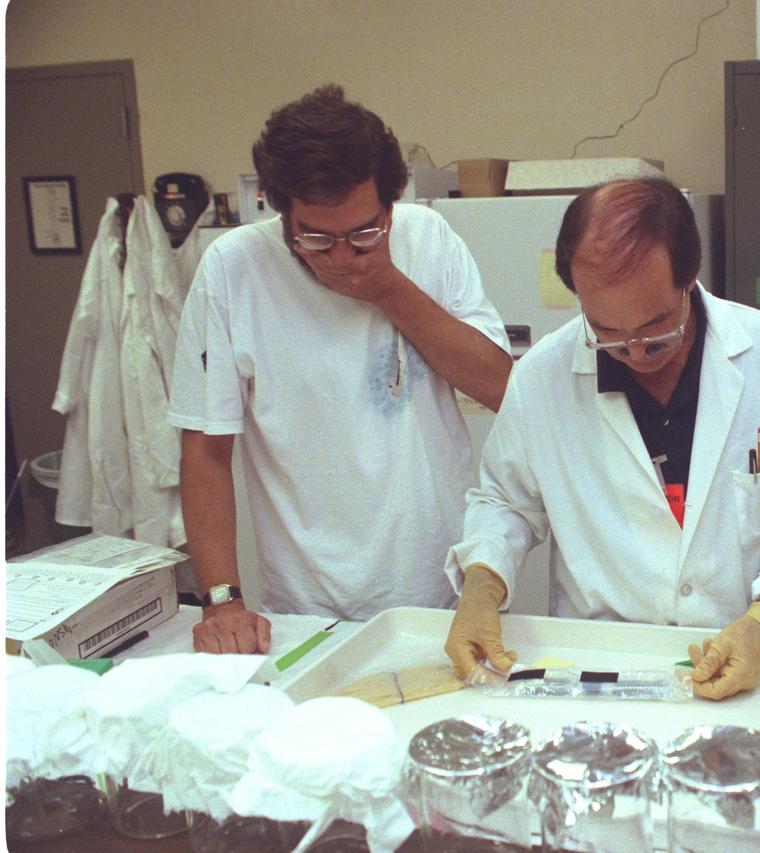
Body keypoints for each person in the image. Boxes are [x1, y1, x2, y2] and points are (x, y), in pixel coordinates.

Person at [441, 176, 760, 700]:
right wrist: (481, 590)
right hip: (599, 662)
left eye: (655, 328)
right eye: (609, 333)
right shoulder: (542, 377)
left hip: (746, 660)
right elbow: (506, 501)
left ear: (689, 280)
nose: (637, 353)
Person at [169, 85, 511, 653]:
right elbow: (206, 450)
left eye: (364, 233)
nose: (343, 256)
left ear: (390, 205)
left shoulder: (428, 240)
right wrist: (223, 599)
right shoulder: (233, 269)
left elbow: (500, 387)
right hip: (306, 610)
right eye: (317, 237)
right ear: (281, 210)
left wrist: (391, 290)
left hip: (443, 594)